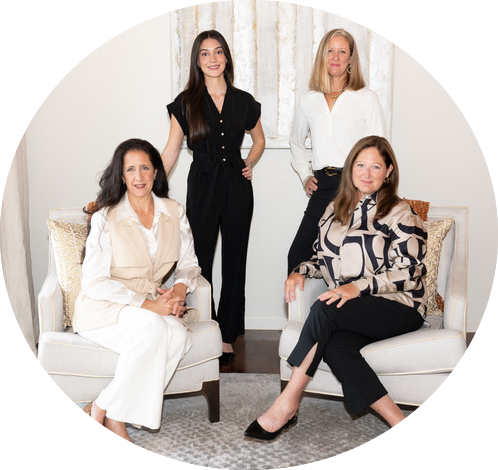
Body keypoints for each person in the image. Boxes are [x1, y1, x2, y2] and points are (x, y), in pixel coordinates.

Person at [245, 136, 427, 441]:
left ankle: (287, 403)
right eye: (360, 165)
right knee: (335, 347)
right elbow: (323, 260)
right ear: (350, 168)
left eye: (376, 167)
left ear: (388, 172)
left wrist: (357, 287)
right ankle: (397, 419)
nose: (366, 173)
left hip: (399, 304)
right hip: (351, 309)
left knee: (325, 308)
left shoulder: (399, 212)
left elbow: (411, 272)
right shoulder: (333, 210)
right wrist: (300, 271)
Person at [73, 138, 201, 441]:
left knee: (179, 334)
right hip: (103, 306)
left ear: (156, 172)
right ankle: (116, 420)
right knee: (154, 328)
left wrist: (179, 290)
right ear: (121, 176)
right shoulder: (106, 216)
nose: (139, 176)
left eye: (145, 167)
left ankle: (102, 407)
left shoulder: (174, 211)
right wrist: (148, 305)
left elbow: (188, 263)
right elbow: (93, 282)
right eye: (130, 169)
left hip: (149, 303)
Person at [162, 30, 265, 361]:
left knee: (235, 261)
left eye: (218, 51)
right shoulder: (185, 103)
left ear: (226, 57)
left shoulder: (244, 101)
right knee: (199, 259)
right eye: (205, 53)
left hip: (237, 186)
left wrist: (249, 162)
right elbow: (170, 151)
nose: (213, 58)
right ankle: (204, 326)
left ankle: (227, 334)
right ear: (197, 61)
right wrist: (149, 187)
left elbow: (259, 140)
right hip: (202, 185)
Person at [287, 29, 387, 274]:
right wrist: (304, 174)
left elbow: (380, 147)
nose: (335, 56)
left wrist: (369, 187)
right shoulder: (309, 100)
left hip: (357, 185)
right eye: (330, 50)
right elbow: (296, 142)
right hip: (324, 184)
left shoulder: (366, 97)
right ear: (322, 56)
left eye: (342, 51)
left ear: (351, 58)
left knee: (353, 258)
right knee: (298, 255)